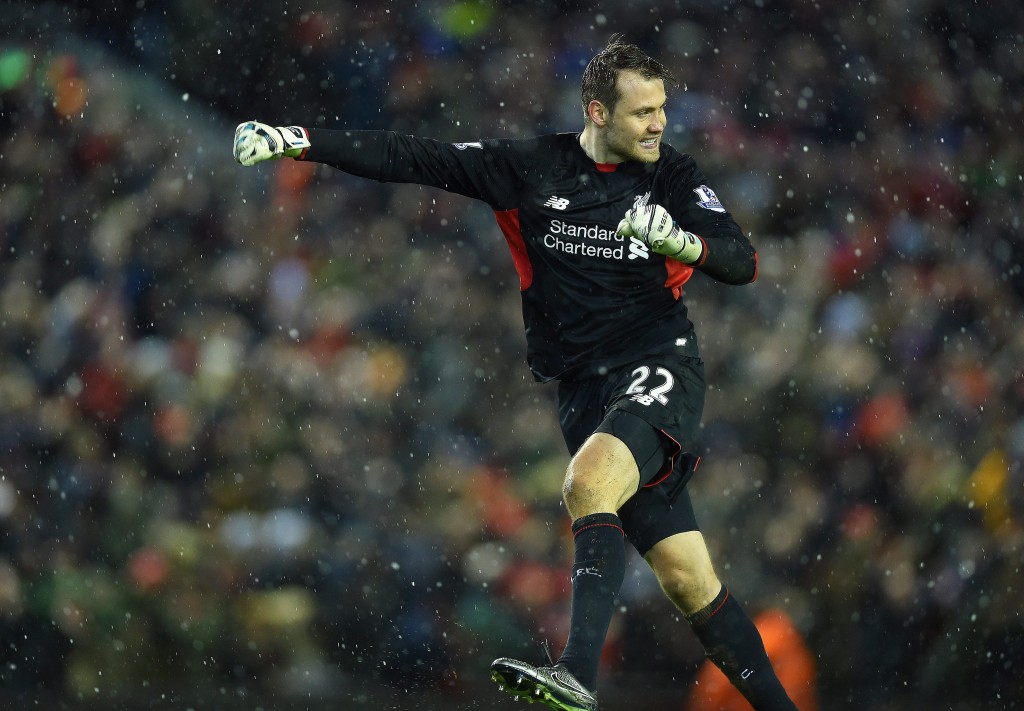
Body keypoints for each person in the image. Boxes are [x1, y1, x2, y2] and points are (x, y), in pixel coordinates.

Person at [233, 34, 798, 711]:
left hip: (657, 364)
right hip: (582, 391)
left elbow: (742, 260)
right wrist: (299, 141)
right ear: (597, 112)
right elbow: (413, 156)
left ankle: (577, 673)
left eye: (662, 109)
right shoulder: (531, 168)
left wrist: (682, 241)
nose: (659, 124)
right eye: (643, 112)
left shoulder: (672, 176)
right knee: (688, 580)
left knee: (588, 484)